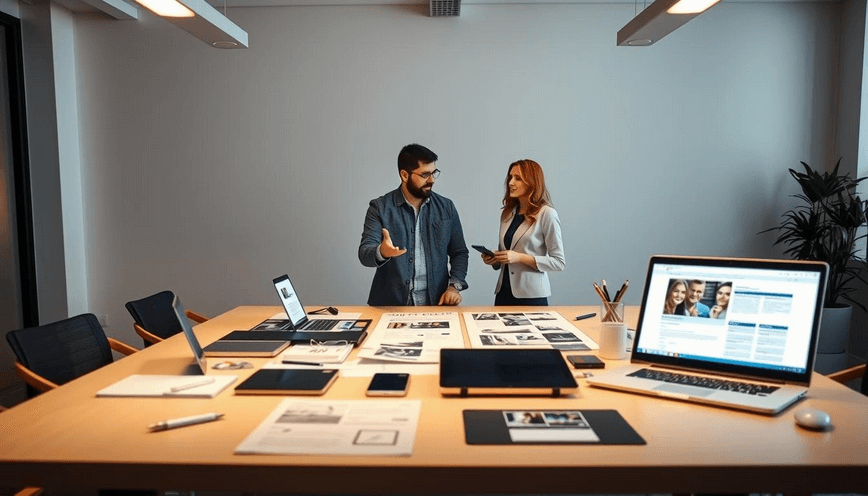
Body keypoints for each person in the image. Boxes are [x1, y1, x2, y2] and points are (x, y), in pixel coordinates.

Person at [358, 144, 469, 306]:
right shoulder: (379, 208)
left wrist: (454, 287)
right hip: (389, 307)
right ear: (404, 175)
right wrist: (382, 252)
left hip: (436, 305)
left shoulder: (446, 207)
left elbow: (459, 252)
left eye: (434, 173)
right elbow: (364, 254)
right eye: (425, 174)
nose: (431, 180)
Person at [481, 159, 565, 306]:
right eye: (510, 177)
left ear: (532, 182)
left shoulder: (547, 214)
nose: (511, 183)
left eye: (518, 178)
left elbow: (558, 262)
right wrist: (495, 259)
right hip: (503, 294)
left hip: (532, 296)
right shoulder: (507, 214)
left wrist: (519, 257)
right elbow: (507, 255)